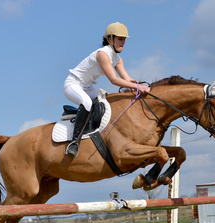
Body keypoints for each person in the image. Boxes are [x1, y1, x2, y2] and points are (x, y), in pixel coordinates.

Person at [63, 22, 151, 158]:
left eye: (124, 39)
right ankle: (74, 143)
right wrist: (139, 87)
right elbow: (114, 80)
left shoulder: (117, 59)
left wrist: (139, 85)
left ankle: (93, 132)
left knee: (107, 101)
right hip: (72, 84)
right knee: (87, 102)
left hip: (86, 87)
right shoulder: (102, 54)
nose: (123, 42)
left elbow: (127, 80)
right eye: (120, 39)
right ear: (110, 39)